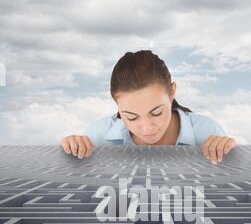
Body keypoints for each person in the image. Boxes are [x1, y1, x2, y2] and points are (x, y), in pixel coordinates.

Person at [60, 50, 236, 164]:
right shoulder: (98, 135)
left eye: (157, 112)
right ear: (117, 104)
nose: (146, 128)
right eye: (131, 117)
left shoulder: (207, 131)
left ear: (172, 92)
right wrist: (69, 151)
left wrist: (229, 153)